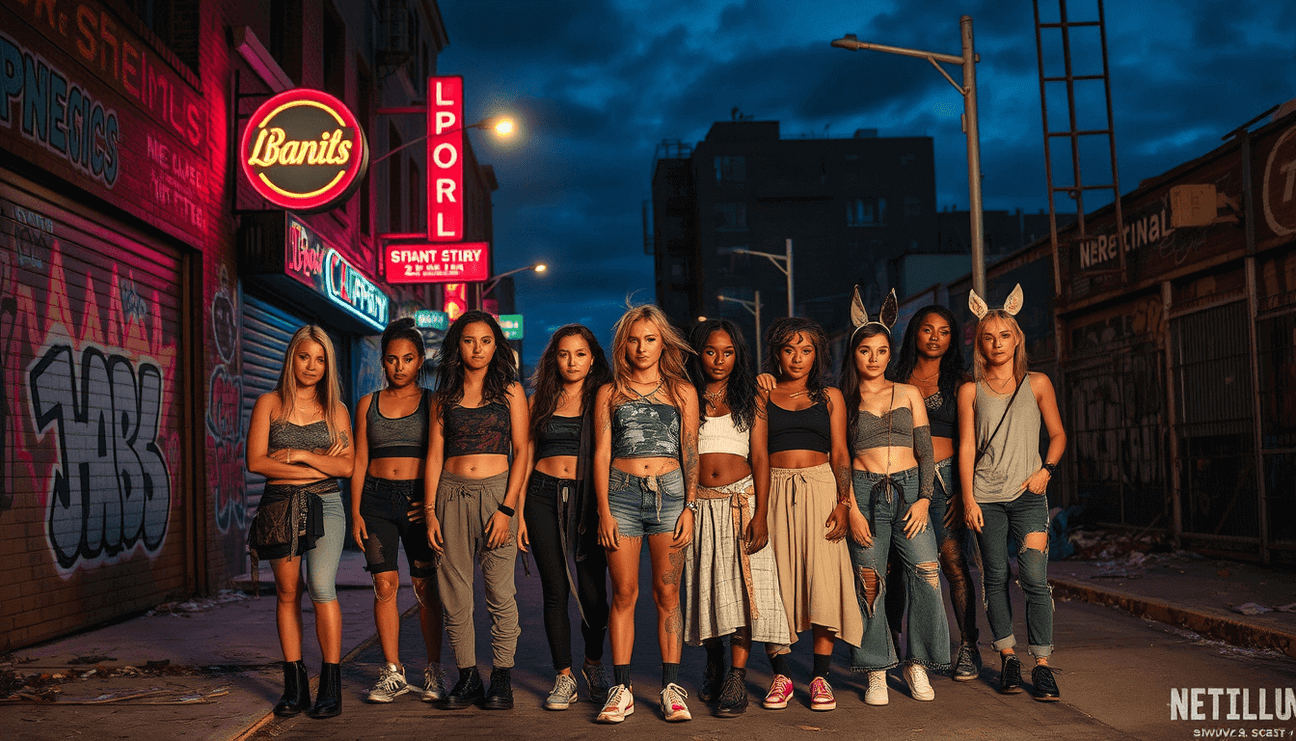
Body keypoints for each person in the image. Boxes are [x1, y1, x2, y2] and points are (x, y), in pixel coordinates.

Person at [838, 289, 949, 706]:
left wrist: (923, 499)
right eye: (865, 350)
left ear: (890, 353)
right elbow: (842, 460)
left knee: (926, 573)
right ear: (855, 354)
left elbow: (925, 452)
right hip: (864, 494)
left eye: (881, 350)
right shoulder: (844, 400)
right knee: (869, 583)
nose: (874, 358)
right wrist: (850, 507)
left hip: (908, 492)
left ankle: (917, 663)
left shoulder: (908, 393)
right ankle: (877, 669)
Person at [959, 285, 1067, 701]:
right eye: (989, 337)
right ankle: (1007, 656)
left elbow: (1057, 436)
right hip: (985, 498)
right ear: (980, 343)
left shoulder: (1038, 383)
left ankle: (1041, 664)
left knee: (1036, 580)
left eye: (1004, 335)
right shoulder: (971, 390)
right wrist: (968, 498)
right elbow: (968, 447)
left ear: (1016, 338)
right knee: (996, 577)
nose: (997, 343)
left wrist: (1046, 471)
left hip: (1028, 495)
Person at [593, 304, 700, 724]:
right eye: (634, 339)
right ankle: (621, 690)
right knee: (623, 593)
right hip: (621, 497)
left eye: (650, 339)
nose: (642, 347)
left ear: (662, 344)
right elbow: (601, 453)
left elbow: (689, 449)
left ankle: (672, 689)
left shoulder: (681, 391)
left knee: (667, 593)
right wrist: (603, 510)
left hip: (672, 496)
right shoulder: (609, 392)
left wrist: (690, 506)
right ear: (624, 344)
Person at [751, 317, 862, 712]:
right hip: (775, 489)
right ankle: (781, 674)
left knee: (823, 582)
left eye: (806, 350)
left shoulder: (831, 395)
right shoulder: (762, 395)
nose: (797, 358)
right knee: (774, 583)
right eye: (788, 349)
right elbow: (758, 455)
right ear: (776, 353)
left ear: (817, 355)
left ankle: (820, 677)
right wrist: (760, 512)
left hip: (821, 489)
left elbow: (840, 453)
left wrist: (844, 503)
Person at [683, 319, 790, 717]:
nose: (719, 360)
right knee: (706, 588)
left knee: (748, 596)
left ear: (737, 355)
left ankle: (737, 677)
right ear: (700, 353)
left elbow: (760, 456)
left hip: (741, 503)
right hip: (699, 505)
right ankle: (714, 661)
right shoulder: (686, 394)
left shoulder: (751, 395)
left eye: (728, 352)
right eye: (711, 351)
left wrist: (761, 513)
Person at [423, 310, 530, 710]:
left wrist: (506, 509)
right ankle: (467, 677)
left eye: (486, 341)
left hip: (496, 495)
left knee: (500, 593)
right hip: (450, 494)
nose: (478, 348)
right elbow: (434, 456)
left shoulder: (510, 391)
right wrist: (431, 511)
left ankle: (502, 678)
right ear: (458, 345)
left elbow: (523, 452)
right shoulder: (444, 395)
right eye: (469, 340)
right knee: (454, 593)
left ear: (496, 345)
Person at [246, 326, 354, 719]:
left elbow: (346, 466)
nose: (312, 366)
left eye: (320, 359)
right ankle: (294, 688)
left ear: (328, 365)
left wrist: (297, 455)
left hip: (327, 504)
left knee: (322, 586)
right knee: (288, 592)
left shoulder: (337, 410)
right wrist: (319, 462)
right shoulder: (268, 404)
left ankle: (330, 686)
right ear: (292, 358)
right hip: (279, 506)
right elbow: (257, 463)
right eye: (304, 356)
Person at [349, 318, 446, 704]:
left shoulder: (434, 402)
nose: (399, 366)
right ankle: (392, 672)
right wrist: (355, 512)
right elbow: (359, 460)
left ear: (420, 360)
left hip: (418, 503)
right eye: (392, 359)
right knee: (384, 585)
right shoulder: (367, 404)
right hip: (375, 501)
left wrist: (434, 503)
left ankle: (434, 670)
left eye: (408, 358)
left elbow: (440, 456)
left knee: (425, 587)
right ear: (383, 361)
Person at [518, 324, 613, 710]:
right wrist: (519, 510)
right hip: (540, 495)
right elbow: (524, 455)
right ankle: (564, 677)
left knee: (593, 593)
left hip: (588, 499)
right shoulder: (537, 398)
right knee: (555, 590)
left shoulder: (604, 399)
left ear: (592, 360)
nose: (571, 361)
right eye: (563, 353)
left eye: (579, 353)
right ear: (553, 358)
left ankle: (593, 663)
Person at [885, 304, 981, 681]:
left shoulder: (960, 381)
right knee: (897, 565)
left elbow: (971, 440)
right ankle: (894, 643)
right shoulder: (894, 378)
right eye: (928, 329)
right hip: (903, 479)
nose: (935, 337)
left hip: (945, 482)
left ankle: (968, 647)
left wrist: (963, 490)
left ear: (952, 337)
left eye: (943, 331)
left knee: (953, 561)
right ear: (915, 334)